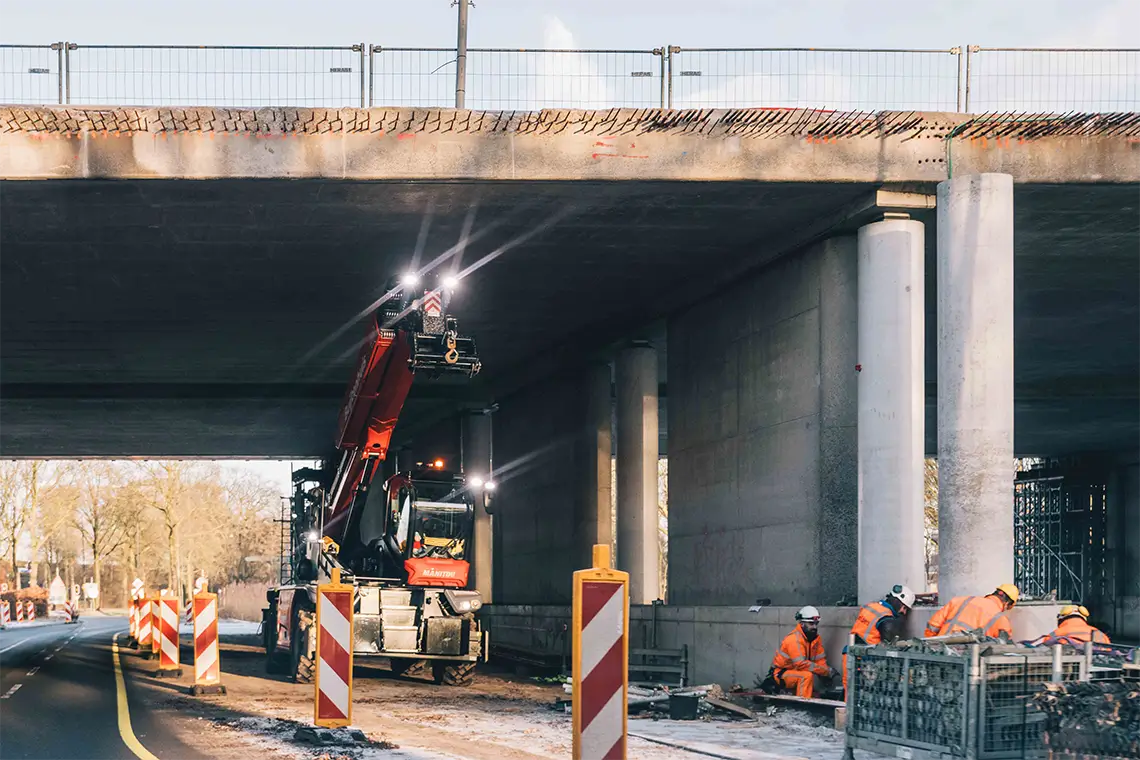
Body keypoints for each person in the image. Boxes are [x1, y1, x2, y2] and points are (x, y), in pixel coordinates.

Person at [843, 584, 915, 694]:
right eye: (904, 607)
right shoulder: (887, 618)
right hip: (863, 661)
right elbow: (889, 646)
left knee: (850, 696)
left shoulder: (871, 606)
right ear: (897, 601)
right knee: (857, 698)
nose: (904, 612)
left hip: (850, 655)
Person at [766, 606, 838, 699]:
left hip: (793, 672)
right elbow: (800, 664)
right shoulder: (794, 639)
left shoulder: (815, 639)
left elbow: (820, 660)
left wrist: (824, 673)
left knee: (807, 676)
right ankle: (802, 707)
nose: (815, 627)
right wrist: (826, 671)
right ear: (802, 623)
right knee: (806, 676)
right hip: (780, 674)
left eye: (816, 623)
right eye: (811, 624)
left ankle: (805, 700)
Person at [924, 584, 1019, 639]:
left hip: (942, 651)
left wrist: (933, 645)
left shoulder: (959, 601)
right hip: (971, 661)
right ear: (1007, 604)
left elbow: (933, 626)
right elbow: (1003, 646)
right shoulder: (1001, 619)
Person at [1039, 605, 1110, 645]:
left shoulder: (1055, 633)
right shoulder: (1100, 634)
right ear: (1084, 619)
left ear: (1060, 619)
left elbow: (1044, 648)